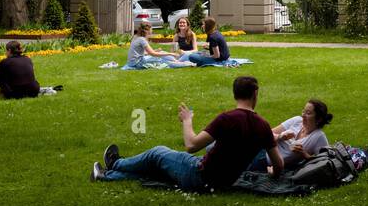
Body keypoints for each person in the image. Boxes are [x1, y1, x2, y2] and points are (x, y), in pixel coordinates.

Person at [92, 75, 282, 191]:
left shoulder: (227, 119)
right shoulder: (263, 126)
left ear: (234, 94)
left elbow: (191, 145)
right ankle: (107, 176)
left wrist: (187, 120)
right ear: (255, 94)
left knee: (157, 153)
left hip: (200, 175)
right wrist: (273, 173)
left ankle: (116, 163)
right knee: (157, 171)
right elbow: (278, 164)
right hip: (224, 182)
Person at [248, 99, 333, 173]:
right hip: (262, 150)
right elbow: (266, 134)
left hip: (268, 162)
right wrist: (280, 136)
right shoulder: (297, 120)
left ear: (319, 119)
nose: (303, 115)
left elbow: (323, 163)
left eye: (308, 113)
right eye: (303, 111)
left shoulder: (318, 136)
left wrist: (304, 154)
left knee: (239, 168)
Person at [124, 21, 189, 69]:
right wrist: (170, 54)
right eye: (151, 29)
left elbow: (143, 53)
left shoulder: (136, 37)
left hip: (132, 62)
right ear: (147, 30)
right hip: (137, 63)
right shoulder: (142, 40)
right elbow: (153, 54)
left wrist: (156, 50)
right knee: (163, 61)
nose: (152, 30)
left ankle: (176, 60)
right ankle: (185, 64)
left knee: (161, 53)